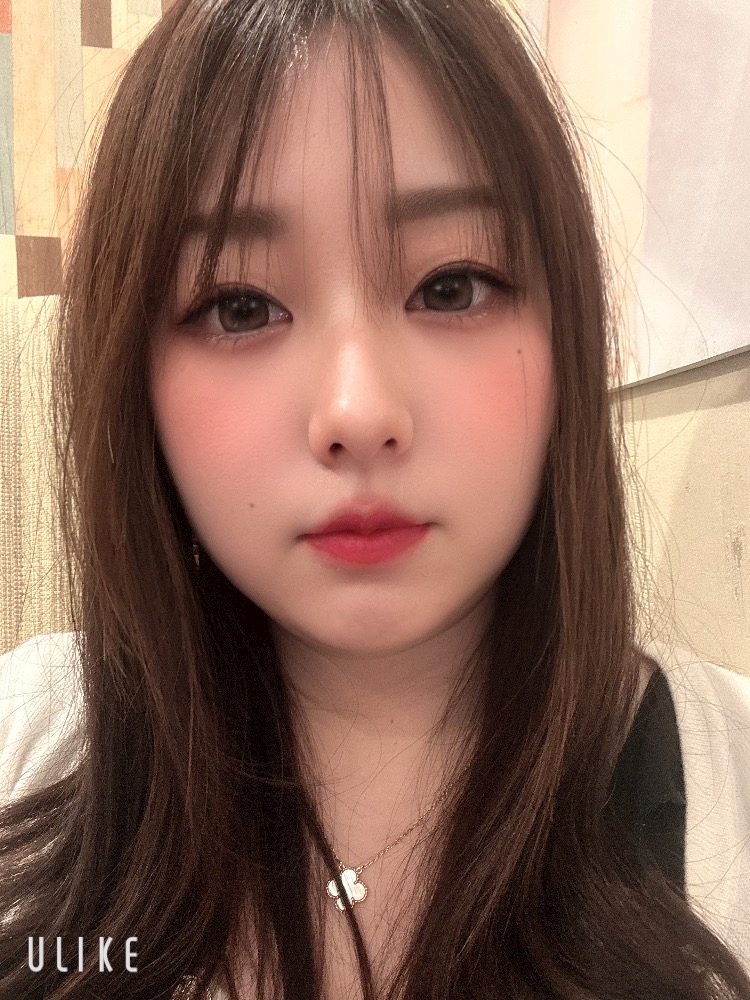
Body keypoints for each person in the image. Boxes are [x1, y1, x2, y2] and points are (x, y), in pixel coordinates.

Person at [1, 0, 749, 997]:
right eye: (240, 306)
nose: (357, 412)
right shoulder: (29, 740)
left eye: (452, 287)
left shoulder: (728, 784)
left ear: (567, 333)